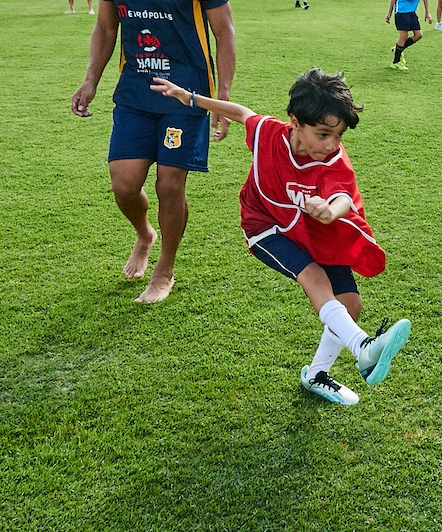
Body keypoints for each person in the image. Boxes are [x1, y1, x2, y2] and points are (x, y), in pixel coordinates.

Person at [150, 68, 412, 405]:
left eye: (339, 136)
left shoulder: (334, 160)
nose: (331, 144)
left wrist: (330, 211)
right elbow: (242, 113)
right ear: (294, 121)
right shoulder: (268, 134)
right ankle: (363, 348)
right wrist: (189, 97)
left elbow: (344, 198)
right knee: (313, 276)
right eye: (323, 134)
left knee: (351, 304)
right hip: (265, 228)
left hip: (313, 232)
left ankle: (316, 375)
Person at [70, 0, 237, 304]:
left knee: (169, 184)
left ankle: (164, 269)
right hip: (136, 89)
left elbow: (225, 33)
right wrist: (91, 79)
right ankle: (143, 234)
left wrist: (220, 100)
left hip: (185, 92)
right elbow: (106, 28)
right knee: (124, 185)